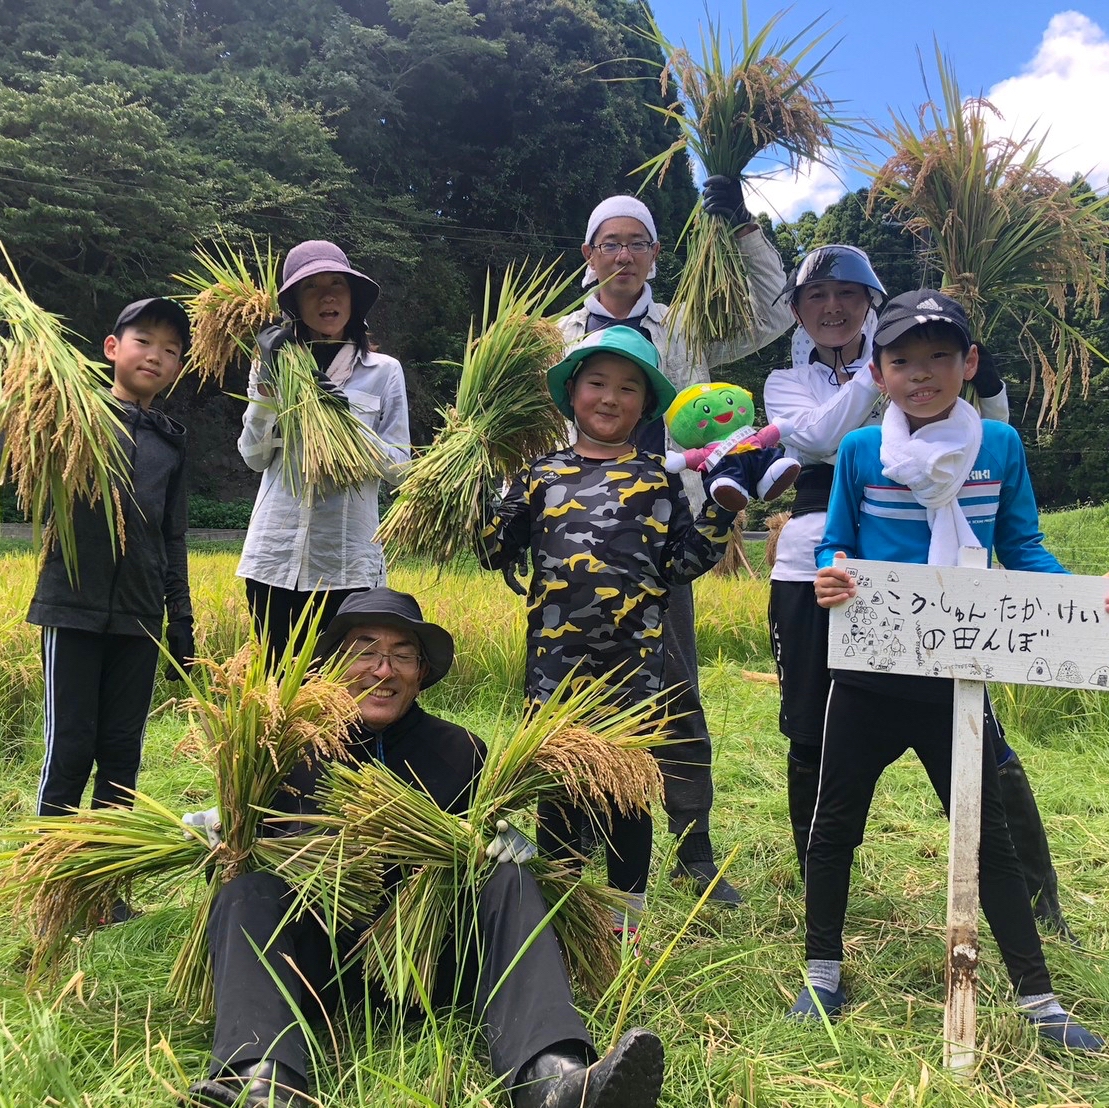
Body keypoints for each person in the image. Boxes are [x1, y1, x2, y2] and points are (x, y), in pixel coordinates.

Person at [186, 588, 666, 1108]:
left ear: (421, 672)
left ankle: (553, 1077)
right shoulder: (283, 753)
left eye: (402, 654)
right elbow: (252, 882)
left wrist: (510, 844)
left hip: (432, 966)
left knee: (512, 878)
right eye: (364, 651)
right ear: (332, 667)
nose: (382, 670)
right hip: (318, 966)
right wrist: (227, 835)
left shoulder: (460, 751)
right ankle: (263, 1083)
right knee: (247, 889)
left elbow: (482, 867)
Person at [792, 289, 1102, 1052]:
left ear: (967, 363)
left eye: (939, 357)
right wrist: (830, 574)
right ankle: (821, 969)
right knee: (834, 826)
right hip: (865, 675)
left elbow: (1021, 547)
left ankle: (1036, 996)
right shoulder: (861, 452)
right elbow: (836, 542)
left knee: (984, 833)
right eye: (902, 360)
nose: (920, 374)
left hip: (958, 675)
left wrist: (1086, 604)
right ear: (878, 370)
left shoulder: (998, 447)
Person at [764, 247, 1075, 940]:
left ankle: (1032, 894)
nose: (832, 306)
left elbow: (1001, 479)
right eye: (815, 296)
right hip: (818, 576)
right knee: (813, 732)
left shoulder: (969, 418)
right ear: (796, 310)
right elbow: (817, 436)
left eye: (849, 292)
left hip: (943, 599)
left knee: (978, 738)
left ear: (871, 301)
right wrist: (882, 374)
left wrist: (946, 366)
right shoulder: (787, 382)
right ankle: (820, 883)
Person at [557, 182, 794, 904]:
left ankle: (692, 846)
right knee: (571, 687)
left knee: (674, 685)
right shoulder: (556, 336)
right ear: (588, 255)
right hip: (574, 531)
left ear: (656, 254)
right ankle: (575, 838)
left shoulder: (686, 326)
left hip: (667, 530)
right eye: (609, 242)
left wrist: (741, 224)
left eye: (635, 242)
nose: (622, 254)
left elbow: (773, 312)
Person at [476, 326, 739, 940]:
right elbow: (494, 552)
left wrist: (723, 511)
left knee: (626, 790)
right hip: (553, 666)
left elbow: (682, 566)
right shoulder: (538, 476)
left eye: (628, 388)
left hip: (632, 668)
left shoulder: (658, 479)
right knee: (561, 783)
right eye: (596, 384)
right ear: (572, 395)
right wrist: (487, 502)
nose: (610, 398)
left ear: (645, 406)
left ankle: (626, 920)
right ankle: (562, 915)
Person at [29, 297, 193, 844]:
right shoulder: (72, 415)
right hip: (71, 606)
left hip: (140, 617)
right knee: (70, 745)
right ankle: (50, 873)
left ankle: (104, 880)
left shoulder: (171, 442)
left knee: (122, 750)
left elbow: (173, 537)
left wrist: (181, 622)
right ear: (112, 348)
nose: (156, 356)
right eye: (144, 341)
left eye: (171, 350)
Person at [236, 240, 410, 661]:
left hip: (347, 562)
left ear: (354, 298)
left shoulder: (383, 372)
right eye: (311, 287)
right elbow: (254, 457)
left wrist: (344, 418)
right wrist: (266, 388)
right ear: (295, 301)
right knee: (278, 685)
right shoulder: (271, 363)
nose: (328, 296)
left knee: (341, 690)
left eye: (338, 285)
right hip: (274, 558)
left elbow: (401, 468)